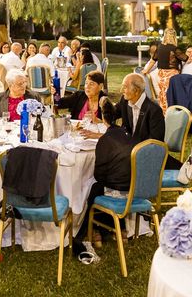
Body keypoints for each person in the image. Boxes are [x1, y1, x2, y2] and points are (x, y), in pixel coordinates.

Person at [73, 97, 135, 254]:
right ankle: (120, 229)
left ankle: (94, 230)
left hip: (118, 191)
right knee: (98, 186)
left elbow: (99, 175)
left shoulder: (105, 140)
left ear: (102, 117)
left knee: (92, 188)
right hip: (135, 188)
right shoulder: (127, 134)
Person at [142, 27, 188, 113]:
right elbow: (186, 58)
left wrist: (146, 70)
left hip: (161, 75)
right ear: (174, 37)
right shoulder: (175, 49)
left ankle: (163, 113)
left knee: (163, 94)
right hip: (172, 76)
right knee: (172, 96)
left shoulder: (159, 47)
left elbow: (152, 60)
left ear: (165, 36)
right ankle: (171, 113)